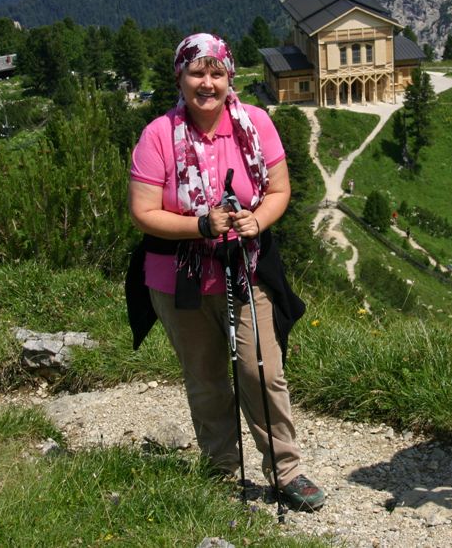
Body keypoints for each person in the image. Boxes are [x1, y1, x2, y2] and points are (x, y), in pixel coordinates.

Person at [127, 33, 324, 511]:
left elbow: (279, 190)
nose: (208, 83)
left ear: (230, 77)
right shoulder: (158, 135)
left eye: (217, 73)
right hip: (179, 278)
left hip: (244, 269)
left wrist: (257, 219)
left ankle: (285, 469)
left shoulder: (255, 124)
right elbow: (143, 212)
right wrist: (199, 224)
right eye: (197, 72)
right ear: (180, 77)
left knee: (263, 371)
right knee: (206, 375)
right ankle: (220, 468)